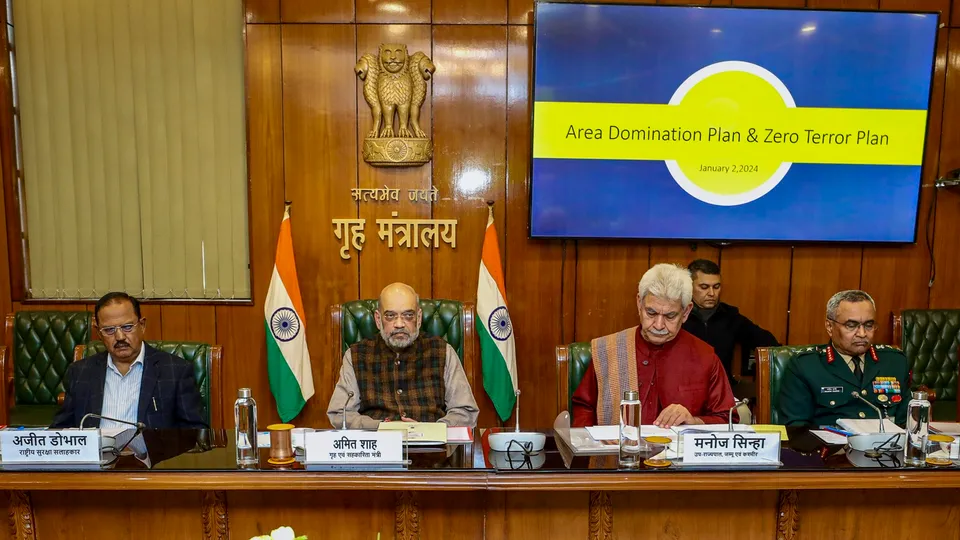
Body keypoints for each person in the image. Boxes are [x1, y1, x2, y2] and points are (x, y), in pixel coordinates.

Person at [572, 264, 736, 428]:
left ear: (686, 312)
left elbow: (726, 418)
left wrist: (694, 422)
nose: (658, 325)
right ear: (639, 304)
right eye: (651, 313)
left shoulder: (705, 357)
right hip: (619, 452)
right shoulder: (608, 350)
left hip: (679, 452)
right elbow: (584, 409)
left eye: (670, 316)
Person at [327, 282, 479, 429]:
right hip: (376, 450)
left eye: (408, 315)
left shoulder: (443, 351)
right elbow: (340, 413)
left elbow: (466, 412)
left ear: (418, 318)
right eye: (390, 316)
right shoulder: (356, 355)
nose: (399, 324)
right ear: (378, 319)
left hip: (433, 451)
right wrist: (380, 428)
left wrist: (429, 431)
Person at [51, 292, 207, 429]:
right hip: (98, 458)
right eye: (109, 330)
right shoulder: (80, 372)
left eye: (127, 327)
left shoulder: (175, 371)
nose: (120, 337)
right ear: (99, 334)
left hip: (151, 460)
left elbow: (195, 431)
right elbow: (61, 428)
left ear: (142, 325)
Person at [778, 290, 909, 427]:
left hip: (888, 446)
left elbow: (907, 422)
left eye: (869, 325)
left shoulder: (895, 362)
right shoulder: (806, 366)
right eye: (851, 325)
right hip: (832, 447)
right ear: (829, 327)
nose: (862, 334)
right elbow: (796, 428)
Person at [682, 259, 779, 382]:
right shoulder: (677, 316)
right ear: (689, 286)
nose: (712, 293)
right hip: (684, 387)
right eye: (704, 287)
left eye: (716, 287)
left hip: (722, 389)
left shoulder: (730, 316)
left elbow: (769, 343)